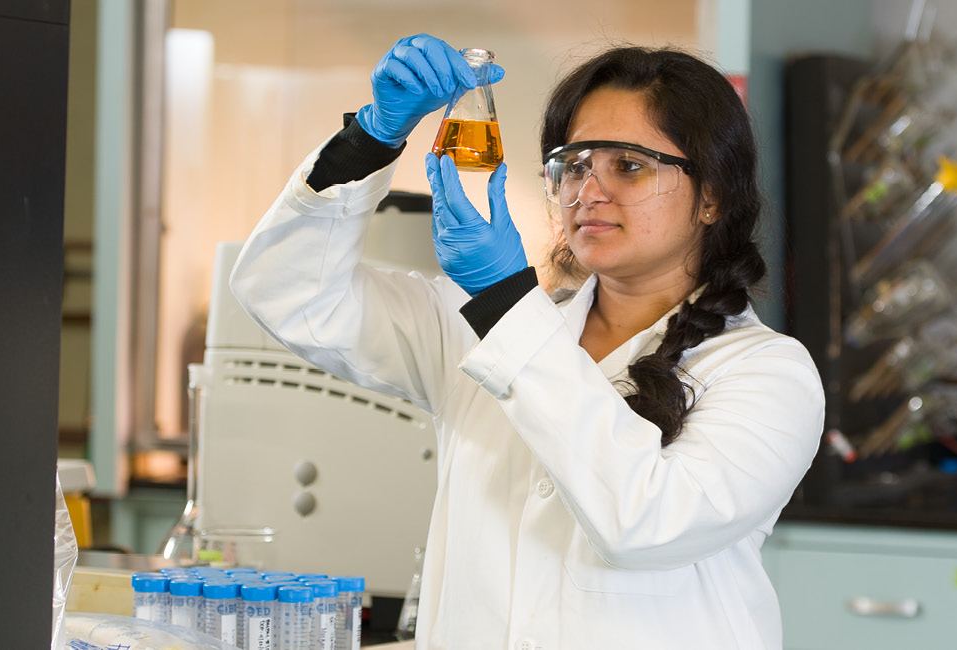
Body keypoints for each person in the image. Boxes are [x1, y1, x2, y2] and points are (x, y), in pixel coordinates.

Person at [231, 33, 824, 650]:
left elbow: (645, 523)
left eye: (628, 165)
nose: (588, 191)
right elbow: (286, 292)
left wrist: (506, 299)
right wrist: (373, 138)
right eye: (573, 164)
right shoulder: (474, 328)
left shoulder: (768, 373)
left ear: (713, 196)